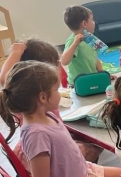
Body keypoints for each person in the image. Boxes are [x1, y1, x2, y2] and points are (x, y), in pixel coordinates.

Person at [0, 39, 103, 169]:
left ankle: (85, 174)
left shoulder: (20, 94)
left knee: (86, 137)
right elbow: (4, 78)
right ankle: (83, 175)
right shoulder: (32, 98)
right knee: (95, 144)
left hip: (39, 147)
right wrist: (16, 51)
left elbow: (5, 79)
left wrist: (16, 52)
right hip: (46, 156)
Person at [60, 6, 107, 86]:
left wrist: (103, 75)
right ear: (84, 24)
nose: (94, 23)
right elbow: (64, 61)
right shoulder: (73, 40)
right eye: (92, 20)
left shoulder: (90, 38)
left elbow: (95, 58)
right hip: (78, 83)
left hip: (92, 79)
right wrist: (75, 44)